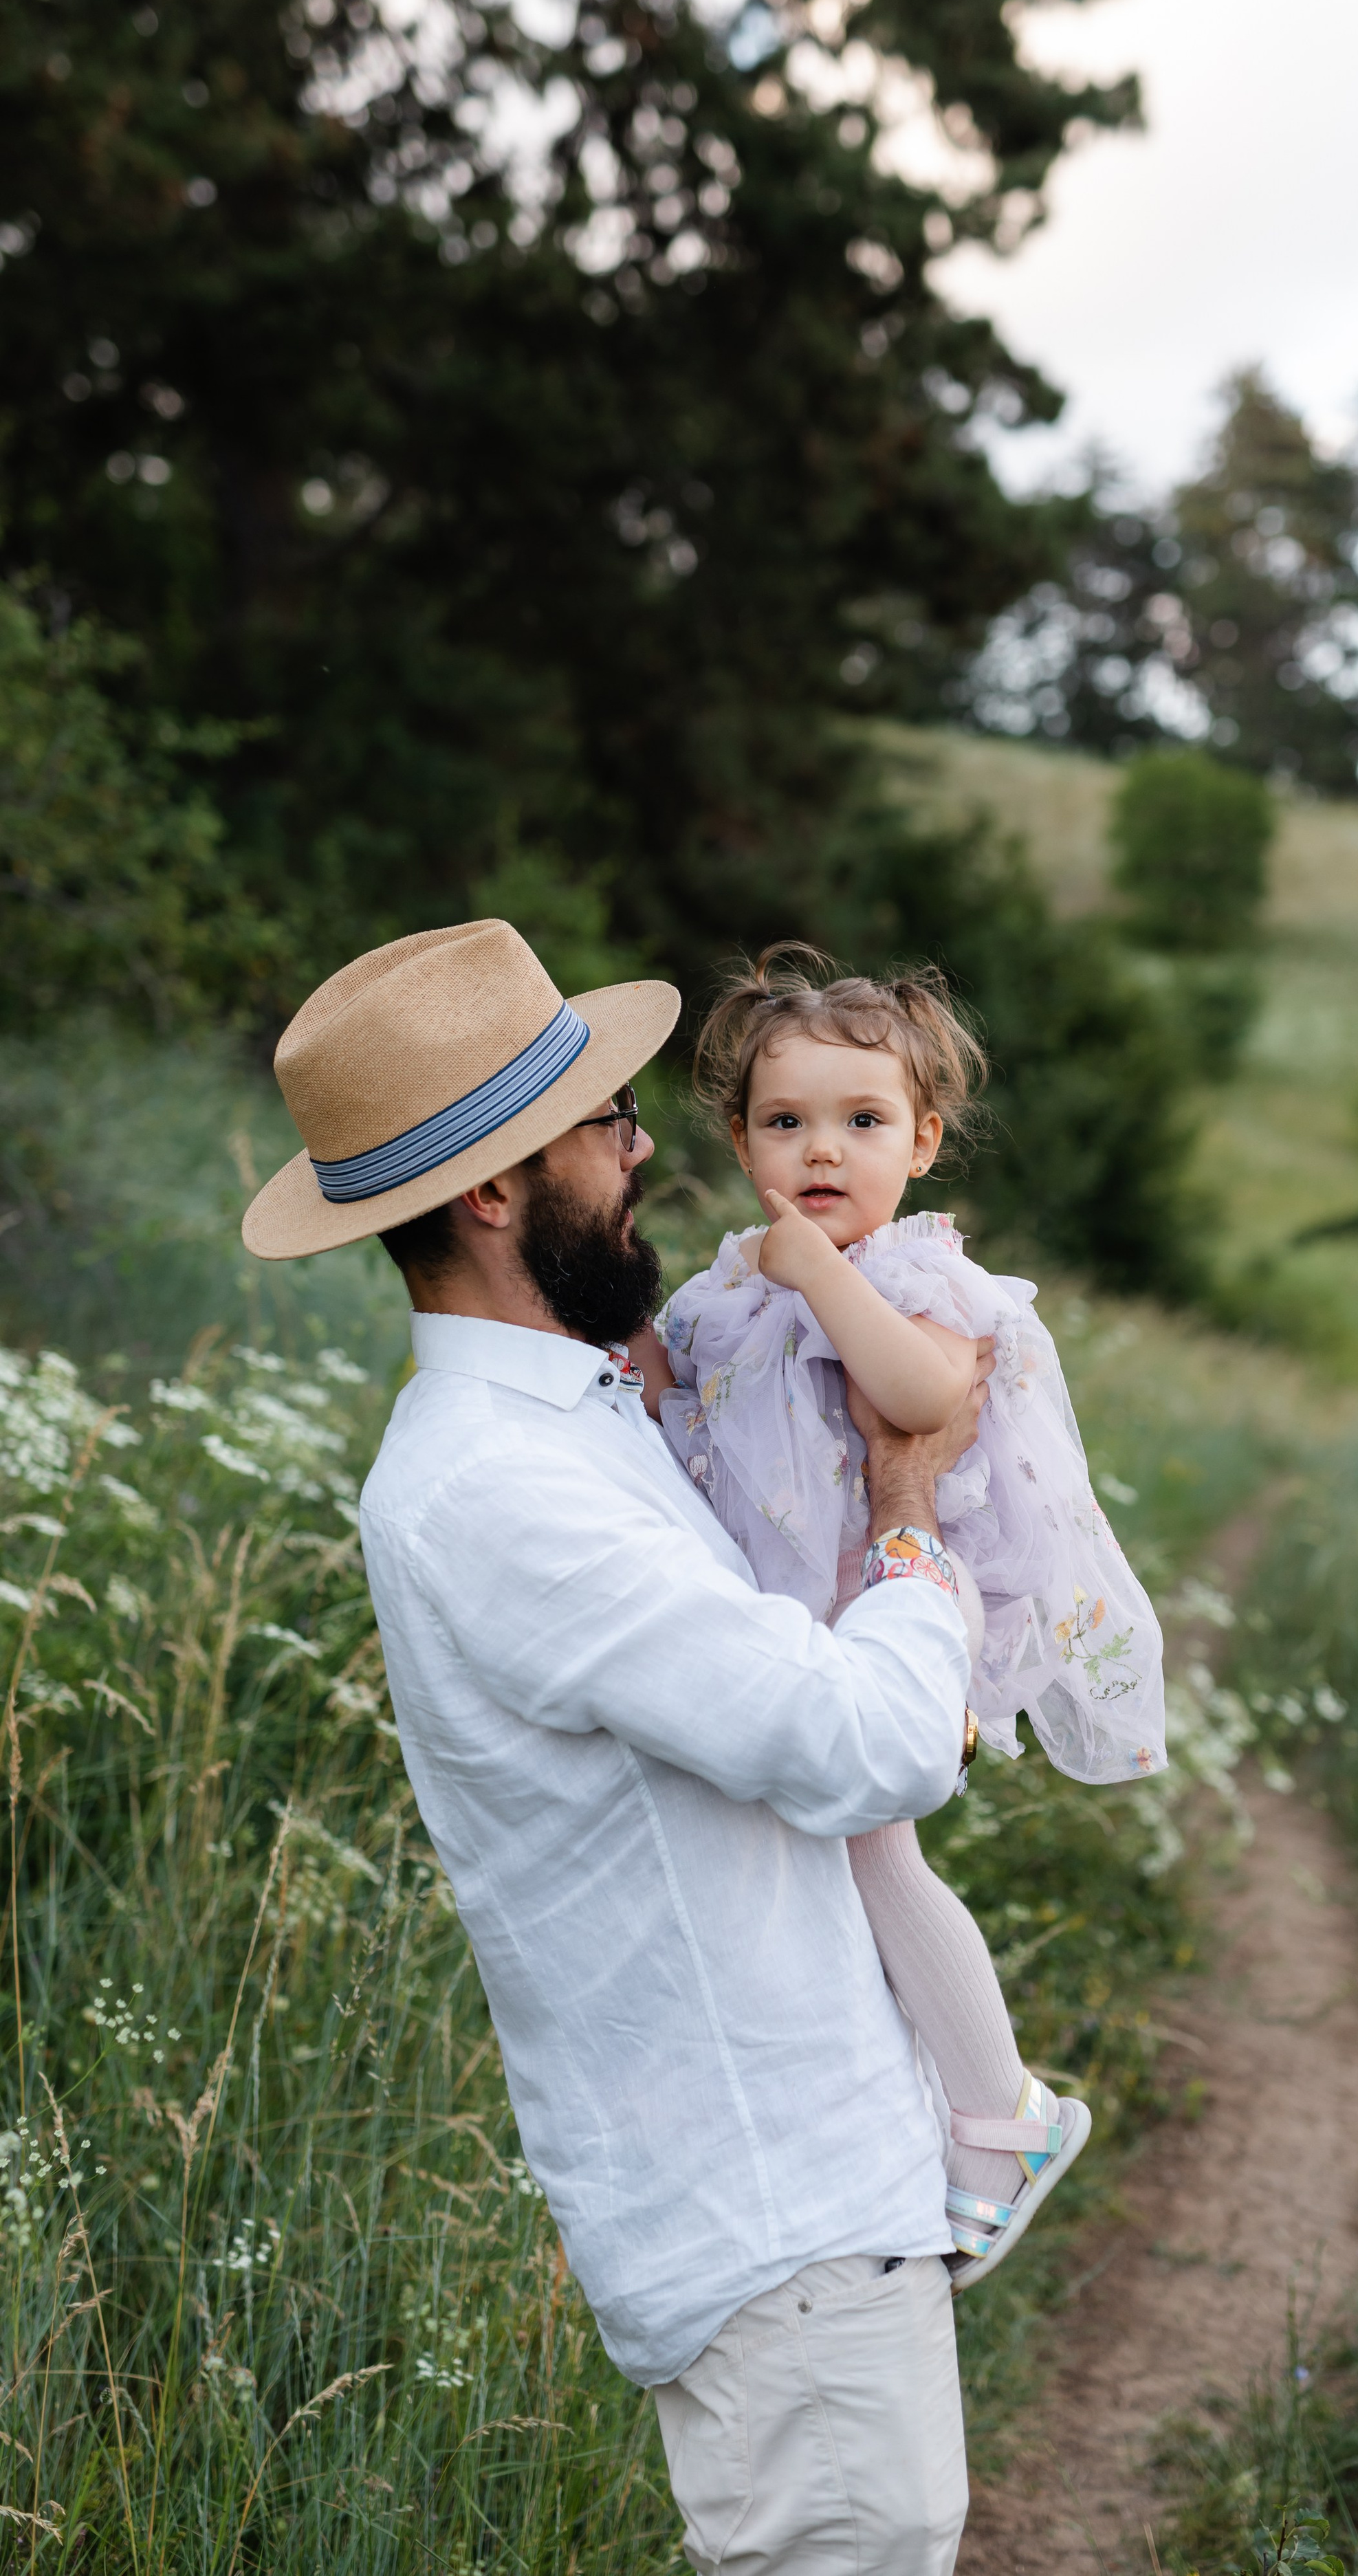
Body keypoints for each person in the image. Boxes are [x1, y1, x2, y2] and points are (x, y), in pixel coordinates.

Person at [241, 918, 989, 2576]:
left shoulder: (576, 1416)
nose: (642, 1152)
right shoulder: (498, 1488)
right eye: (608, 1127)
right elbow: (866, 1741)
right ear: (498, 1192)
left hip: (808, 2184)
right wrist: (909, 1503)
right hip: (766, 2206)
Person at [651, 944, 1165, 2282]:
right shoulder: (728, 1286)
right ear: (739, 1134)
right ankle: (907, 2109)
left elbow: (925, 1400)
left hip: (888, 1625)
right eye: (786, 1121)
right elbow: (682, 1405)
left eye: (862, 1121)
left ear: (924, 1141)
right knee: (814, 1877)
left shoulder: (914, 1274)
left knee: (880, 1857)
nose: (822, 1149)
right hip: (781, 1635)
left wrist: (822, 1273)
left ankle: (1006, 2116)